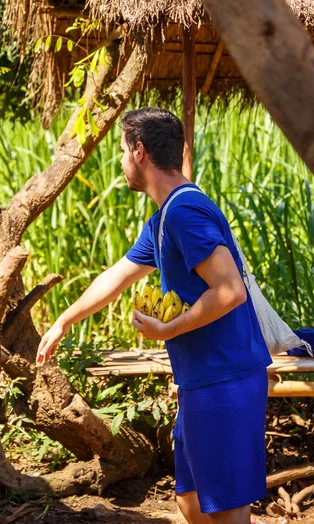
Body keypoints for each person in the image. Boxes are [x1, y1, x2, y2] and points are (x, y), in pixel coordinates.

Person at [36, 107, 272, 524]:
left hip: (225, 378)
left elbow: (230, 290)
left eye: (123, 151)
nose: (121, 161)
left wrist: (167, 329)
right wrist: (64, 320)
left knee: (226, 511)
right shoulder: (164, 219)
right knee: (191, 502)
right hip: (203, 378)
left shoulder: (185, 213)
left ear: (139, 151)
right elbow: (117, 276)